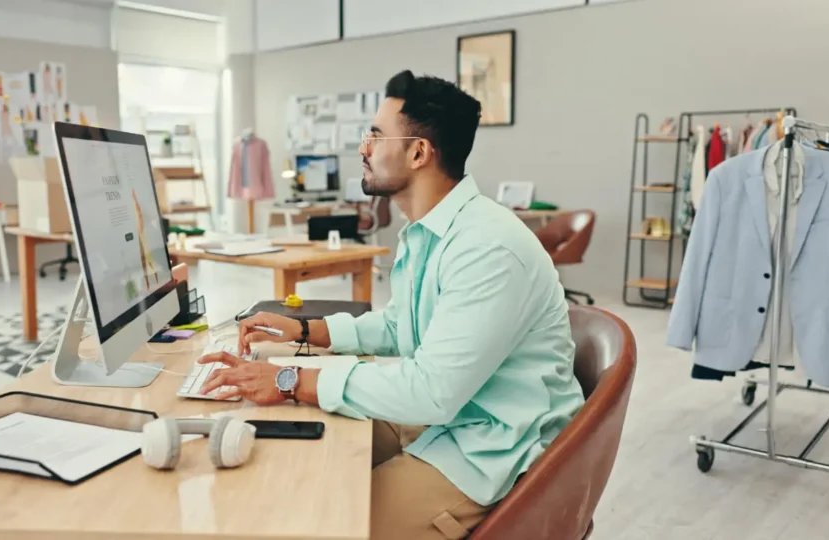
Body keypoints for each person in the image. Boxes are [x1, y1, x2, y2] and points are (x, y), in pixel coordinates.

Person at [198, 70, 585, 540]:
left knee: (317, 520)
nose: (363, 148)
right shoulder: (428, 231)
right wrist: (303, 332)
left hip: (490, 451)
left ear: (419, 152)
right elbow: (401, 326)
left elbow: (432, 390)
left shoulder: (487, 248)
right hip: (445, 418)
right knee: (289, 442)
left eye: (376, 136)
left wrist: (290, 378)